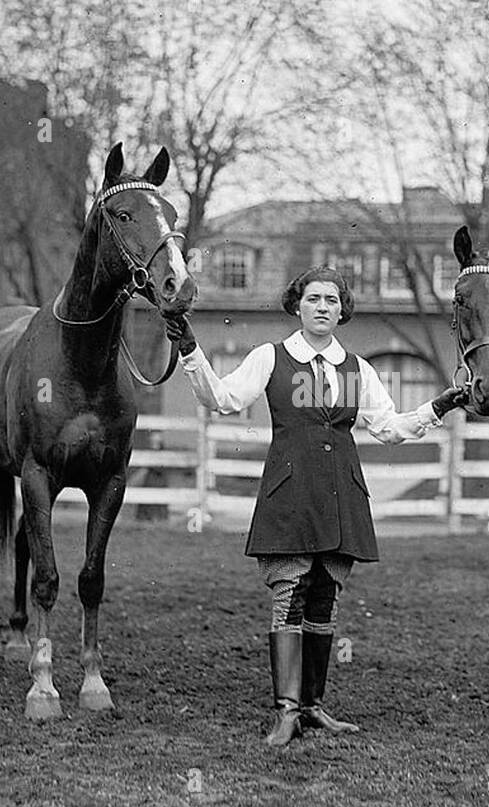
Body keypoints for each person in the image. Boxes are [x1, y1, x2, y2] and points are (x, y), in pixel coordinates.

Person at [164, 266, 467, 746]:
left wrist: (438, 408)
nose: (322, 307)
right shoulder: (272, 357)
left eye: (331, 299)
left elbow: (387, 427)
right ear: (297, 305)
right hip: (290, 492)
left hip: (340, 493)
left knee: (325, 595)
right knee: (290, 592)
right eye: (313, 299)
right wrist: (189, 349)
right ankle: (285, 710)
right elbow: (221, 398)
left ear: (342, 309)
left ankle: (313, 706)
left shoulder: (358, 369)